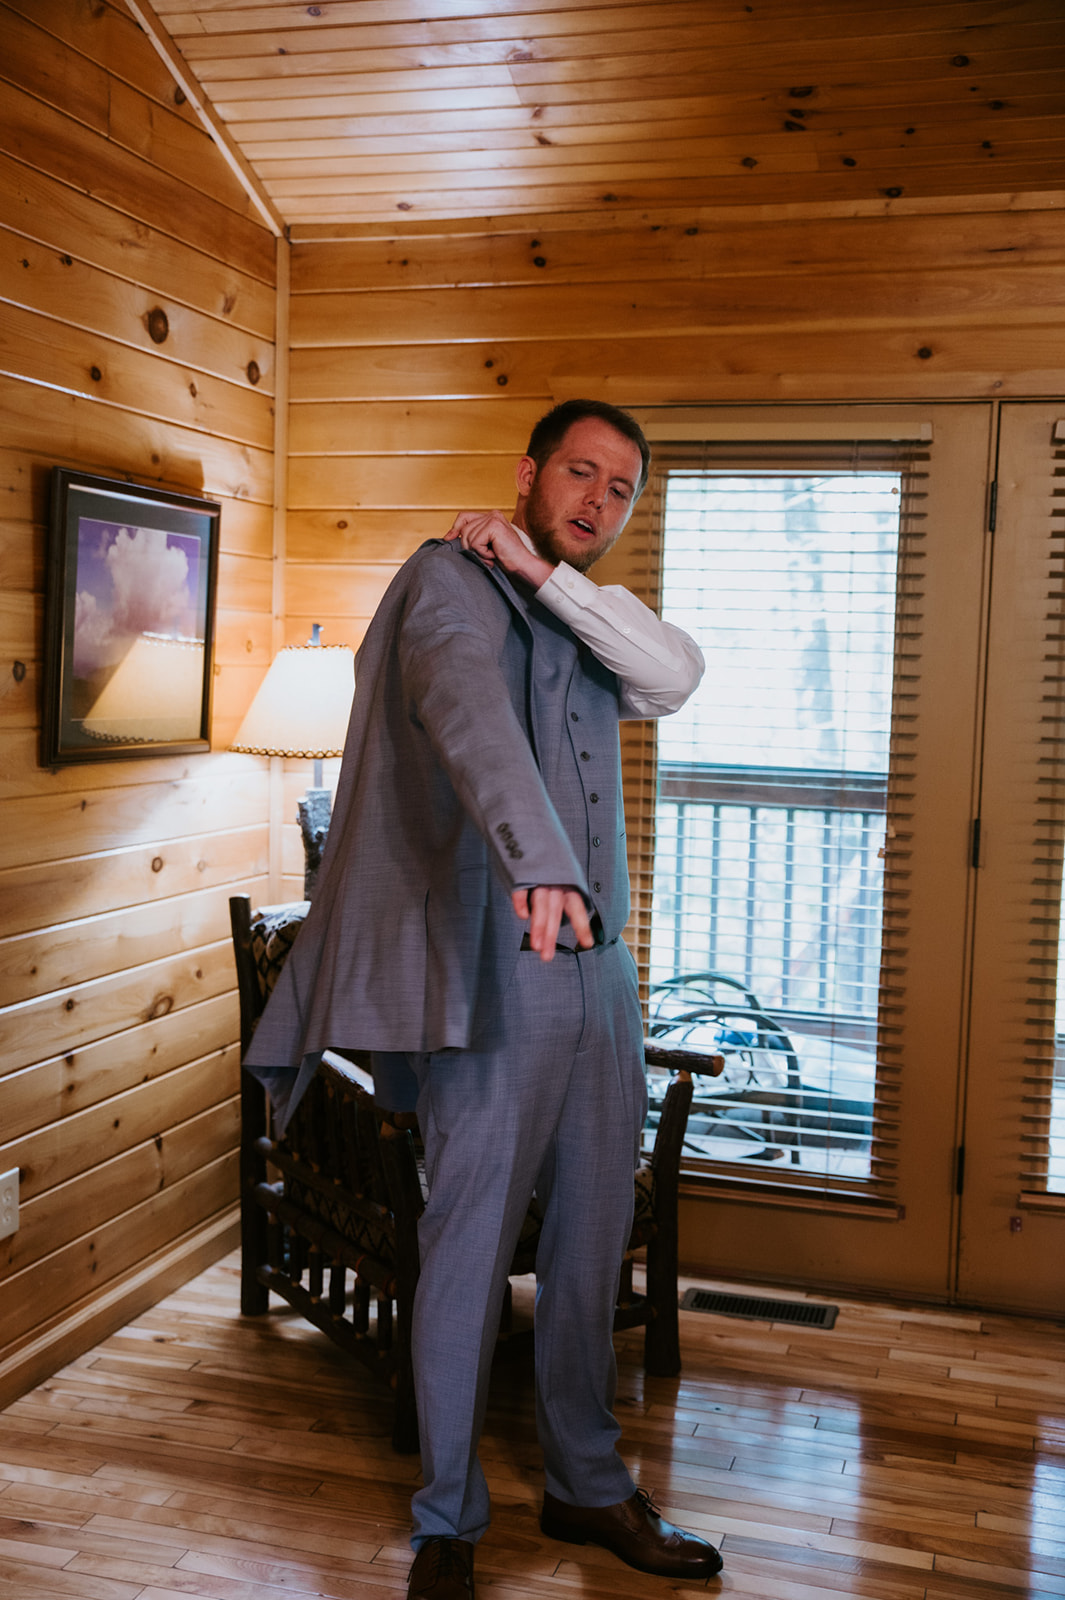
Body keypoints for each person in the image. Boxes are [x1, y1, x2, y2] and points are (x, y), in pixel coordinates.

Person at [244, 399, 722, 1599]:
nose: (597, 502)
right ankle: (449, 1516)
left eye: (621, 489)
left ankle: (587, 1481)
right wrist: (540, 855)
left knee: (591, 1235)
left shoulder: (593, 618)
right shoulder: (444, 584)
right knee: (466, 1246)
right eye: (579, 473)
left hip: (605, 972)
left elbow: (675, 675)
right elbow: (464, 712)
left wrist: (548, 575)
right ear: (527, 472)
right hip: (494, 971)